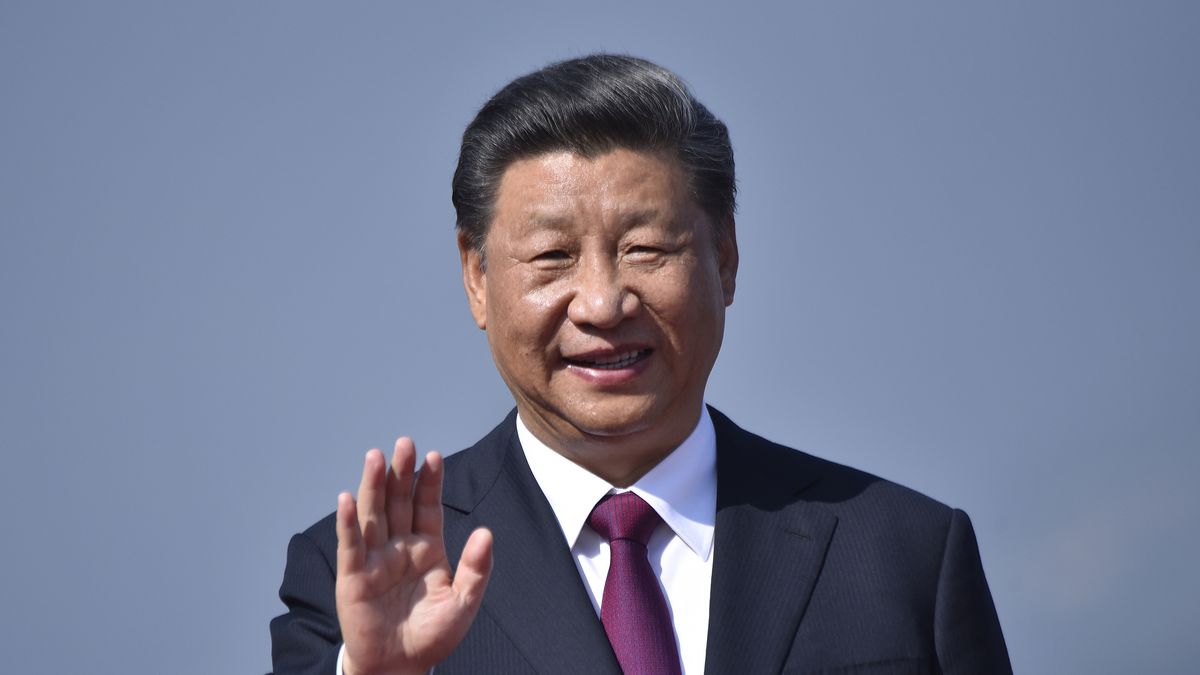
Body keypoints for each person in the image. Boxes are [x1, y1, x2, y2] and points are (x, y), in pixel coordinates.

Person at [269, 54, 1012, 675]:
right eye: (552, 256)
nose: (601, 301)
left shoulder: (901, 551)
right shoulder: (360, 579)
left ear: (724, 256)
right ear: (477, 277)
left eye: (645, 248)